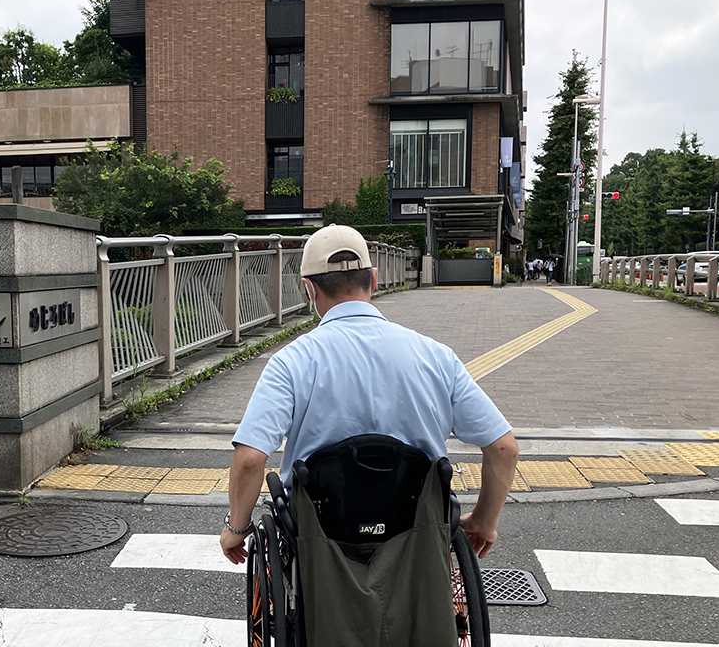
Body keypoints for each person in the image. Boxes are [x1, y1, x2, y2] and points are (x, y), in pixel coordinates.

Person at [220, 224, 518, 567]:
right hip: (418, 535)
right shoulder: (436, 357)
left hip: (321, 540)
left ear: (309, 290)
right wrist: (483, 522)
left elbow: (250, 460)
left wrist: (236, 527)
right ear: (373, 280)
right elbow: (504, 448)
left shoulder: (290, 363)